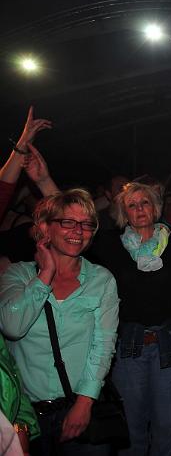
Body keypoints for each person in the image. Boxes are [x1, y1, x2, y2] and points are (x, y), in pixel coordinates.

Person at [88, 146, 171, 456]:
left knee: (166, 430)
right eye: (132, 204)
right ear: (124, 213)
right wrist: (43, 181)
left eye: (145, 202)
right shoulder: (112, 246)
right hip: (129, 348)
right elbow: (73, 222)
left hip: (170, 345)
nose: (139, 208)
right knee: (132, 432)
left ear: (155, 207)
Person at [0, 189, 119, 455]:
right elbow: (12, 327)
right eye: (68, 222)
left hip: (79, 407)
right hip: (27, 416)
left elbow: (103, 346)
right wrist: (45, 275)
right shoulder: (17, 275)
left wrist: (84, 404)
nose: (78, 230)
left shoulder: (101, 280)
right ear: (45, 228)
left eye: (86, 224)